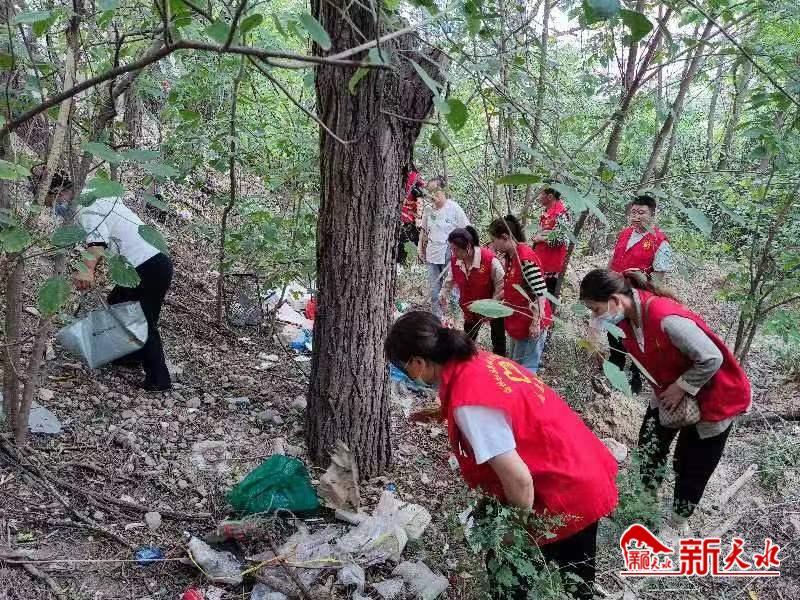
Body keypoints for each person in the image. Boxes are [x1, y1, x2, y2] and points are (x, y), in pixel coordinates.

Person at [385, 311, 618, 600]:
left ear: (418, 363)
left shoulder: (470, 404)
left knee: (512, 579)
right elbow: (501, 411)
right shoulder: (478, 361)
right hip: (579, 465)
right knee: (577, 580)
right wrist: (445, 411)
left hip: (565, 491)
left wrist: (514, 535)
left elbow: (519, 481)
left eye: (405, 367)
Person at [579, 269, 751, 534]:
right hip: (667, 392)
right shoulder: (626, 321)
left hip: (716, 397)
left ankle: (677, 523)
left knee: (692, 464)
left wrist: (682, 386)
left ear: (615, 300)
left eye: (596, 310)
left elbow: (712, 358)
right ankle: (646, 507)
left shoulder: (666, 318)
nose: (595, 317)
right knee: (649, 447)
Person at [45, 173, 174, 391]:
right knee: (118, 303)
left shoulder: (86, 206)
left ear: (60, 193)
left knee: (142, 319)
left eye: (53, 202)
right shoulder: (98, 194)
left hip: (147, 264)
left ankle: (159, 380)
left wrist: (87, 269)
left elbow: (97, 241)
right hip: (148, 263)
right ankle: (130, 357)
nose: (55, 208)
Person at [606, 194, 674, 393]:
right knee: (614, 332)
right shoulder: (625, 233)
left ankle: (635, 377)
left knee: (637, 338)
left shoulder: (661, 242)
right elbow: (613, 259)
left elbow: (658, 280)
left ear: (652, 214)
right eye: (633, 212)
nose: (636, 216)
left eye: (641, 212)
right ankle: (615, 368)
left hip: (638, 299)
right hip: (616, 292)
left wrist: (642, 283)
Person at [488, 215, 551, 373]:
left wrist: (536, 322)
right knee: (516, 366)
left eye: (494, 240)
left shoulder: (525, 258)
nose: (493, 245)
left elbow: (540, 292)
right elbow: (511, 287)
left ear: (505, 237)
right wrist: (491, 305)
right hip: (518, 321)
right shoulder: (511, 256)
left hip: (529, 323)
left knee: (526, 369)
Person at [439, 226, 506, 356]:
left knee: (498, 339)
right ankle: (467, 361)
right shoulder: (456, 261)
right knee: (468, 339)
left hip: (493, 304)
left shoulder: (489, 260)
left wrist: (492, 306)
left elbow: (502, 284)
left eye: (456, 249)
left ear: (468, 247)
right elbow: (450, 279)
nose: (453, 253)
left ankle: (499, 362)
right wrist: (443, 294)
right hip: (470, 307)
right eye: (452, 249)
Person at [418, 175, 469, 317]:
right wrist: (420, 247)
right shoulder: (428, 210)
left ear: (444, 190)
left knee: (452, 291)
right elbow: (423, 230)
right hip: (432, 253)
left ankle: (454, 319)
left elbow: (467, 229)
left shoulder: (454, 208)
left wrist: (462, 250)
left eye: (436, 191)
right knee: (435, 291)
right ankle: (437, 320)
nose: (432, 195)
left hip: (450, 253)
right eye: (430, 192)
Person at [531, 187, 570, 296]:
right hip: (541, 261)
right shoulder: (546, 212)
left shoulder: (561, 213)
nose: (538, 197)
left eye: (541, 194)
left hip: (552, 266)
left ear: (550, 196)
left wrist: (541, 238)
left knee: (547, 297)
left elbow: (559, 239)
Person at [397, 170, 424, 266]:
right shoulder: (397, 173)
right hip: (400, 216)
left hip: (409, 218)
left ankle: (408, 263)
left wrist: (419, 217)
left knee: (411, 241)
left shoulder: (415, 176)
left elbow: (420, 195)